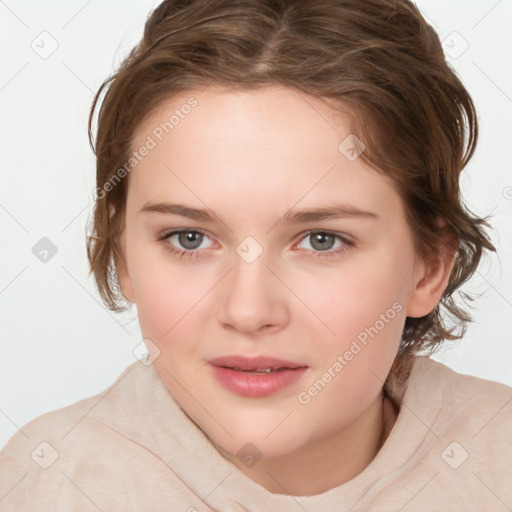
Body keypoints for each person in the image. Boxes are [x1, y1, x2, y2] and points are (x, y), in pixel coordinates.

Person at [1, 0, 510, 510]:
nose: (248, 312)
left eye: (321, 240)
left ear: (430, 266)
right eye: (189, 238)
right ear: (125, 257)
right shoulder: (47, 485)